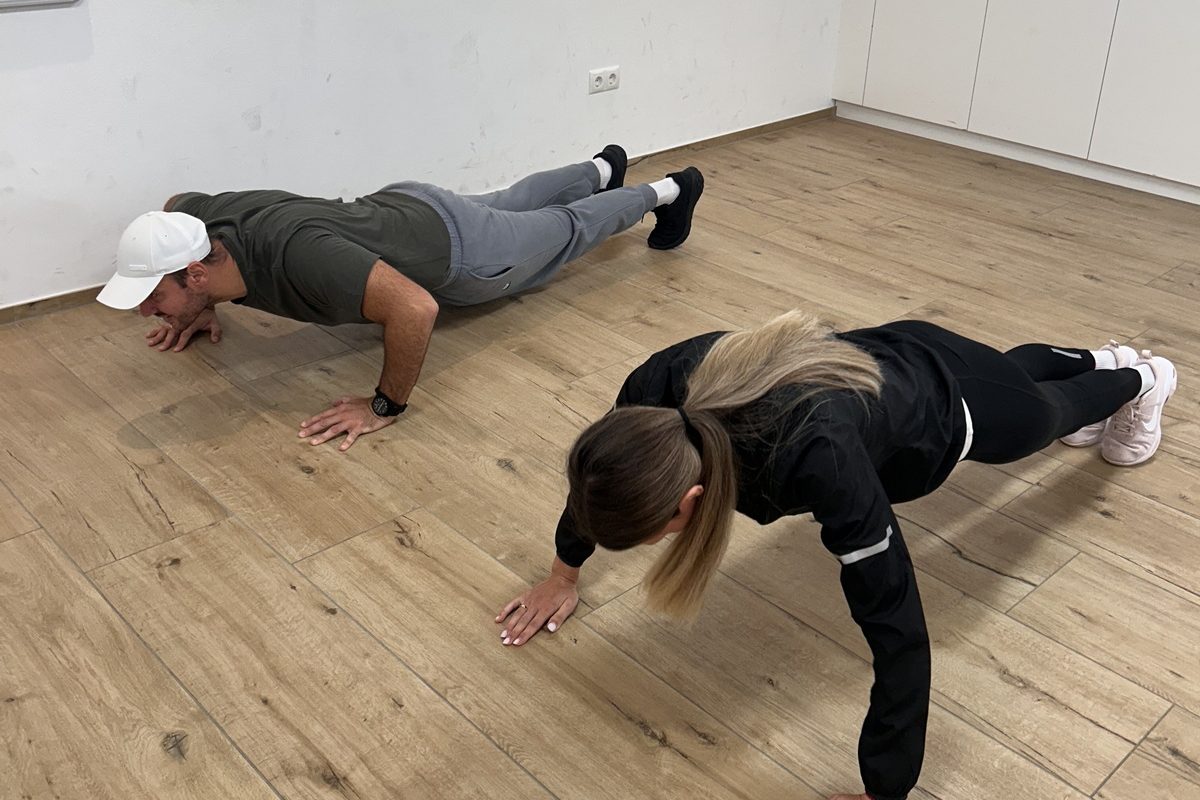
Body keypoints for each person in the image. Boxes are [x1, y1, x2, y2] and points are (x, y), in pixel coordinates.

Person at [495, 310, 1178, 800]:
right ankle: (1101, 357)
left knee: (1045, 416)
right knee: (1009, 376)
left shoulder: (816, 458)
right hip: (893, 352)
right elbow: (602, 484)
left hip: (947, 410)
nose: (659, 544)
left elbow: (898, 628)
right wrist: (562, 572)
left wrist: (886, 788)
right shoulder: (651, 399)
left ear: (691, 501)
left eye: (655, 535)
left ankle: (1144, 378)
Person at [96, 146, 704, 450]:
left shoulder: (297, 255)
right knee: (511, 202)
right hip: (407, 205)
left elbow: (416, 308)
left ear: (196, 273)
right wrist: (198, 306)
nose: (146, 311)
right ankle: (601, 167)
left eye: (153, 296)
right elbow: (174, 203)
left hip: (461, 254)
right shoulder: (202, 221)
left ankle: (670, 190)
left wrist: (383, 406)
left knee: (564, 230)